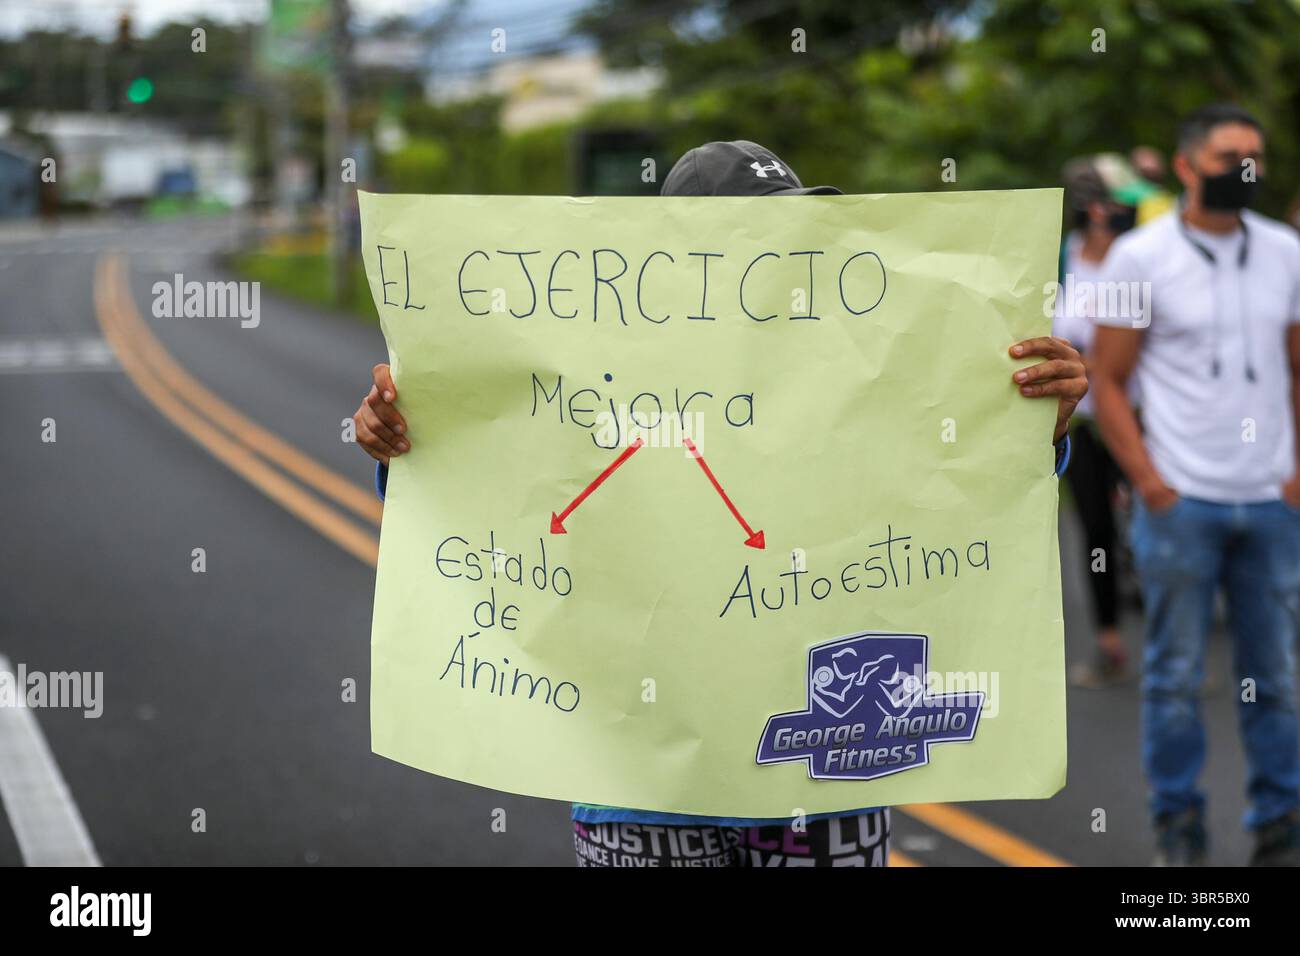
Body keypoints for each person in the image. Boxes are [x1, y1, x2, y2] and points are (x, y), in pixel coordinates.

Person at [353, 140, 1087, 867]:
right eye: (760, 230)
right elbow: (489, 492)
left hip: (823, 783)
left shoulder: (863, 363)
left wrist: (1034, 425)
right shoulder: (587, 361)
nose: (788, 248)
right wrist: (395, 442)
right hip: (641, 787)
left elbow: (951, 490)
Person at [1091, 104, 1300, 866]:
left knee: (1274, 674)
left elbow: (1297, 369)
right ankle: (1178, 827)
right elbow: (1106, 382)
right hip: (1181, 500)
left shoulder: (1286, 252)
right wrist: (1150, 481)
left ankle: (1279, 823)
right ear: (1186, 165)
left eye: (1256, 155)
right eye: (1228, 155)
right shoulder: (1134, 259)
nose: (1246, 169)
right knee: (1175, 675)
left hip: (1273, 502)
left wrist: (1296, 474)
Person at [1055, 155, 1153, 687]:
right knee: (1093, 528)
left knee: (1154, 525)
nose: (1135, 213)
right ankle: (1109, 642)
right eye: (1125, 204)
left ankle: (1169, 648)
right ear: (1096, 209)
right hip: (1082, 421)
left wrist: (1096, 362)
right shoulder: (1061, 260)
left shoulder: (1142, 258)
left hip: (1139, 417)